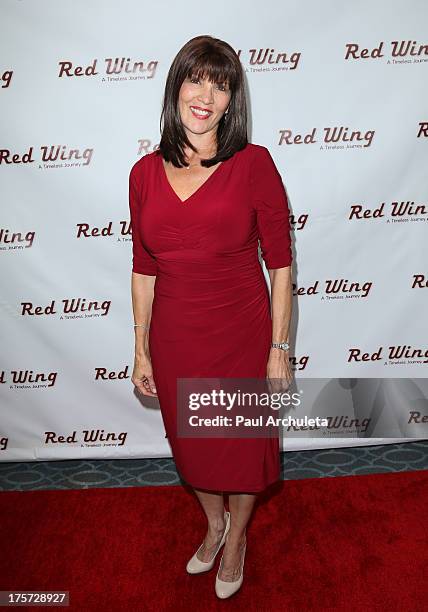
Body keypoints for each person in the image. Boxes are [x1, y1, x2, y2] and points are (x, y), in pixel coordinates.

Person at [129, 35, 293, 599]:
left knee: (242, 450)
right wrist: (140, 345)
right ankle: (214, 522)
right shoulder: (144, 173)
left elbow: (281, 264)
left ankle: (239, 535)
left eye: (221, 86)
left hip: (243, 335)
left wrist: (279, 348)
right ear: (176, 87)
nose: (206, 95)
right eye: (196, 79)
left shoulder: (253, 164)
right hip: (176, 336)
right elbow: (143, 266)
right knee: (193, 447)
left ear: (232, 102)